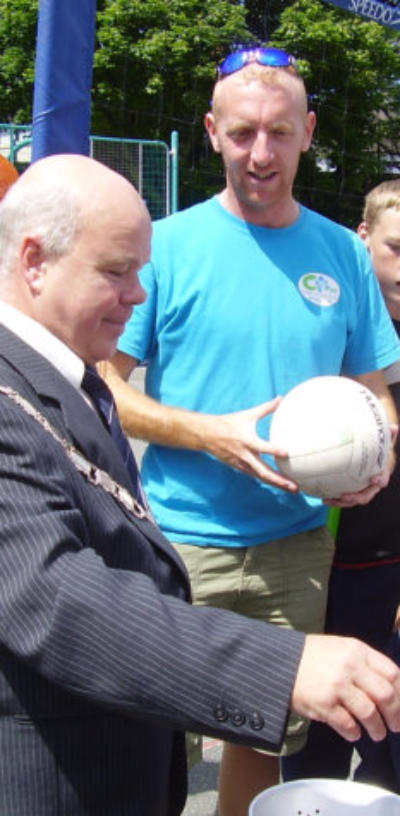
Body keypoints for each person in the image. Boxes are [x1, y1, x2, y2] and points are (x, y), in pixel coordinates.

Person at [2, 155, 400, 816]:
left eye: (139, 271)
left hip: (288, 548)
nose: (138, 296)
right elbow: (57, 599)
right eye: (117, 271)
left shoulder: (62, 378)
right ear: (34, 261)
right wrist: (282, 666)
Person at [101, 47, 400, 816]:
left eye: (279, 132)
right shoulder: (164, 246)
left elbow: (374, 394)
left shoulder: (343, 254)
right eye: (241, 133)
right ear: (211, 132)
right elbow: (101, 386)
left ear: (309, 132)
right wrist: (209, 434)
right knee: (150, 742)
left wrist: (379, 456)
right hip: (176, 540)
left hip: (296, 546)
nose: (260, 153)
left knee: (258, 739)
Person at [282, 179, 400, 792]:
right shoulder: (325, 325)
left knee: (387, 749)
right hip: (319, 564)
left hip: (389, 568)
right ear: (364, 238)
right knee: (317, 744)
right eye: (396, 248)